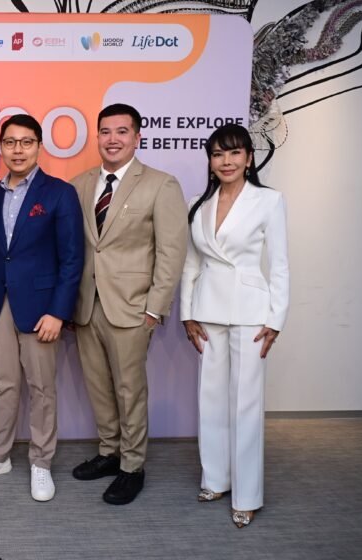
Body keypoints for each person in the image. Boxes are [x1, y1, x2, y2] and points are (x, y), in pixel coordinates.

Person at [0, 114, 83, 501]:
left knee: (42, 387)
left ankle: (41, 461)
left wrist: (58, 312)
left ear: (39, 147)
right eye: (10, 142)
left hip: (42, 309)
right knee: (4, 383)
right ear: (1, 147)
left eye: (26, 142)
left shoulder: (59, 193)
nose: (18, 150)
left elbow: (72, 258)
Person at [69, 103, 188, 505]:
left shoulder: (160, 184)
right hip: (86, 306)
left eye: (122, 131)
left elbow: (171, 252)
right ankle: (109, 452)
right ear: (97, 136)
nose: (112, 139)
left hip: (133, 308)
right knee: (98, 387)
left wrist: (155, 308)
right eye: (105, 131)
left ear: (137, 137)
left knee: (129, 390)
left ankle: (132, 466)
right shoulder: (80, 184)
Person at [180, 123, 289, 528]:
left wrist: (275, 320)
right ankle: (216, 479)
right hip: (208, 311)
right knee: (210, 400)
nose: (226, 161)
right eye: (217, 154)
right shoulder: (198, 203)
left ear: (248, 158)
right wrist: (187, 313)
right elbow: (191, 263)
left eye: (234, 153)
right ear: (210, 161)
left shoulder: (268, 201)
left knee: (245, 405)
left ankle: (247, 495)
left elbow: (279, 265)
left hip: (250, 313)